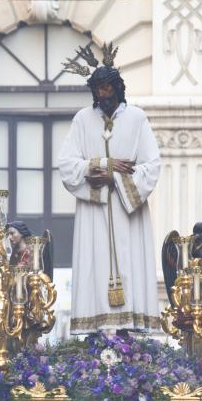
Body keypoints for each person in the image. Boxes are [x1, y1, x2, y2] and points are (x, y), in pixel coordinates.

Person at [58, 42, 161, 335]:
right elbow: (66, 164)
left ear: (117, 87)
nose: (102, 95)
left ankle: (130, 334)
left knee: (131, 264)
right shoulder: (82, 119)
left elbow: (152, 165)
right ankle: (96, 333)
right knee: (94, 263)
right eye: (97, 90)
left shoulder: (137, 118)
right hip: (94, 214)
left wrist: (114, 178)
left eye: (106, 88)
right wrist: (102, 164)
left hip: (128, 214)